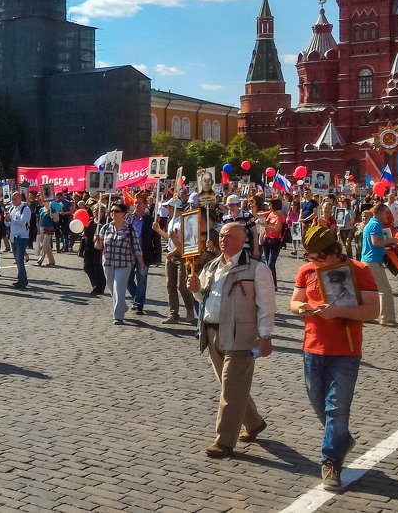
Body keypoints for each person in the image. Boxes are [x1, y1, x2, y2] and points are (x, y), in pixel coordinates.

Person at [290, 225, 380, 491]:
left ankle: (330, 463)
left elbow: (373, 310)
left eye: (319, 257)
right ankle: (342, 439)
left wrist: (337, 312)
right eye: (311, 258)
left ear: (335, 251)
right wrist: (304, 308)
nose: (314, 263)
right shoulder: (306, 270)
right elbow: (294, 302)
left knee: (336, 409)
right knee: (320, 405)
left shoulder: (359, 270)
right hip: (312, 348)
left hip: (345, 350)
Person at [187, 222, 276, 458]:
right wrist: (195, 288)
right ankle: (255, 423)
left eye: (229, 236)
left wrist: (265, 336)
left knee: (230, 390)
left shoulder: (257, 269)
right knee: (232, 388)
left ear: (241, 240)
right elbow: (202, 297)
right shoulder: (212, 266)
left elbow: (267, 306)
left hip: (242, 337)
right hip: (212, 333)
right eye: (222, 236)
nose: (223, 240)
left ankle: (224, 442)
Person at [95, 203, 145, 325]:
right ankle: (122, 306)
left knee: (119, 288)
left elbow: (136, 247)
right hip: (108, 262)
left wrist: (141, 263)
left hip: (124, 263)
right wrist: (98, 242)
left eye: (116, 211)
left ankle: (118, 315)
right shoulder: (106, 227)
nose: (113, 213)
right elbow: (98, 246)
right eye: (112, 211)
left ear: (123, 213)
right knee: (111, 288)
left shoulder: (129, 228)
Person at [156, 198, 194, 324]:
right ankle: (173, 313)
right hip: (171, 255)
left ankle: (189, 310)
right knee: (170, 285)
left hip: (182, 256)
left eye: (168, 207)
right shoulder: (171, 220)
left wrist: (174, 251)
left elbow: (185, 242)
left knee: (182, 286)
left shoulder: (184, 221)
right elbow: (169, 239)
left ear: (173, 208)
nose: (167, 209)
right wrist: (158, 230)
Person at [7, 191, 31, 288]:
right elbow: (8, 224)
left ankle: (23, 280)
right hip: (13, 236)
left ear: (20, 198)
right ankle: (20, 278)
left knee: (20, 259)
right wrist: (7, 220)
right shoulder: (12, 209)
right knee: (17, 259)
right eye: (12, 199)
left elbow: (23, 221)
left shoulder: (25, 209)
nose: (13, 201)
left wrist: (12, 219)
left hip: (22, 236)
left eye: (15, 199)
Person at [260, 198, 286, 280]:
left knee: (271, 264)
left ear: (274, 205)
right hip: (267, 240)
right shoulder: (270, 214)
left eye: (270, 204)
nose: (268, 206)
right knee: (268, 264)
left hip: (275, 242)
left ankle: (272, 282)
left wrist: (264, 225)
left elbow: (275, 229)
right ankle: (272, 283)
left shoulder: (280, 216)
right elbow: (256, 214)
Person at [35, 191, 57, 267]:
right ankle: (51, 261)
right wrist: (38, 229)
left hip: (49, 228)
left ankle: (41, 259)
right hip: (42, 227)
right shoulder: (41, 209)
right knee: (46, 245)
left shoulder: (52, 209)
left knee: (44, 245)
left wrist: (52, 215)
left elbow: (55, 220)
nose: (41, 202)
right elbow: (40, 220)